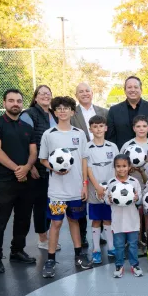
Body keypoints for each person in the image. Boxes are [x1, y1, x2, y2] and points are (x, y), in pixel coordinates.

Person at [38, 96, 91, 278]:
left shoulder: (79, 134)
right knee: (56, 223)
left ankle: (78, 255)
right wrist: (54, 168)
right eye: (58, 108)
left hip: (76, 190)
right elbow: (43, 159)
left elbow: (84, 159)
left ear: (72, 112)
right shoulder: (49, 134)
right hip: (57, 192)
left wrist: (84, 185)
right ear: (54, 112)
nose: (62, 111)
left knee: (74, 221)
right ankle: (51, 259)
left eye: (66, 108)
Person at [0, 89, 38, 274]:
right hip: (4, 181)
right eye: (11, 100)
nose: (15, 103)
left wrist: (26, 167)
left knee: (23, 219)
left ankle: (17, 251)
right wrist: (17, 169)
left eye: (18, 100)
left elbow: (33, 152)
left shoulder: (27, 128)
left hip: (25, 181)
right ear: (4, 103)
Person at [20, 85, 62, 252]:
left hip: (53, 169)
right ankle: (42, 238)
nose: (45, 96)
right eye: (41, 93)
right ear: (35, 98)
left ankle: (51, 237)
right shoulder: (29, 114)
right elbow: (23, 142)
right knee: (40, 204)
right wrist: (30, 167)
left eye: (48, 93)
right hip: (37, 168)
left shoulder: (53, 114)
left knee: (50, 203)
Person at [85, 114, 118, 264]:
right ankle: (96, 249)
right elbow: (88, 169)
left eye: (101, 126)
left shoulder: (112, 146)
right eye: (95, 126)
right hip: (95, 188)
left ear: (106, 128)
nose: (98, 129)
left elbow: (117, 167)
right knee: (96, 219)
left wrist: (111, 187)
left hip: (110, 188)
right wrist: (97, 186)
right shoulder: (87, 147)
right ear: (91, 129)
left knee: (108, 219)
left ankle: (111, 247)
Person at [105, 154, 143, 278]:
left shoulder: (134, 182)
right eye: (118, 166)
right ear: (114, 167)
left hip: (132, 220)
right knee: (119, 245)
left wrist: (137, 198)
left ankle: (134, 264)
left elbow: (140, 199)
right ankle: (119, 265)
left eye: (124, 166)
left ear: (129, 167)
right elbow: (106, 200)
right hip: (117, 221)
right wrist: (109, 199)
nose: (121, 169)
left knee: (133, 244)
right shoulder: (111, 183)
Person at [120, 115, 148, 256]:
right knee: (135, 216)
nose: (141, 129)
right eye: (138, 126)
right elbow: (119, 164)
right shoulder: (127, 145)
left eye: (144, 126)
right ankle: (137, 241)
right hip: (131, 187)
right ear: (133, 128)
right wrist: (128, 169)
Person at [106, 76, 148, 150]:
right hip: (123, 156)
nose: (133, 90)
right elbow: (110, 137)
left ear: (141, 89)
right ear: (125, 90)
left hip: (147, 156)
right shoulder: (114, 110)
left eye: (136, 87)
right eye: (129, 87)